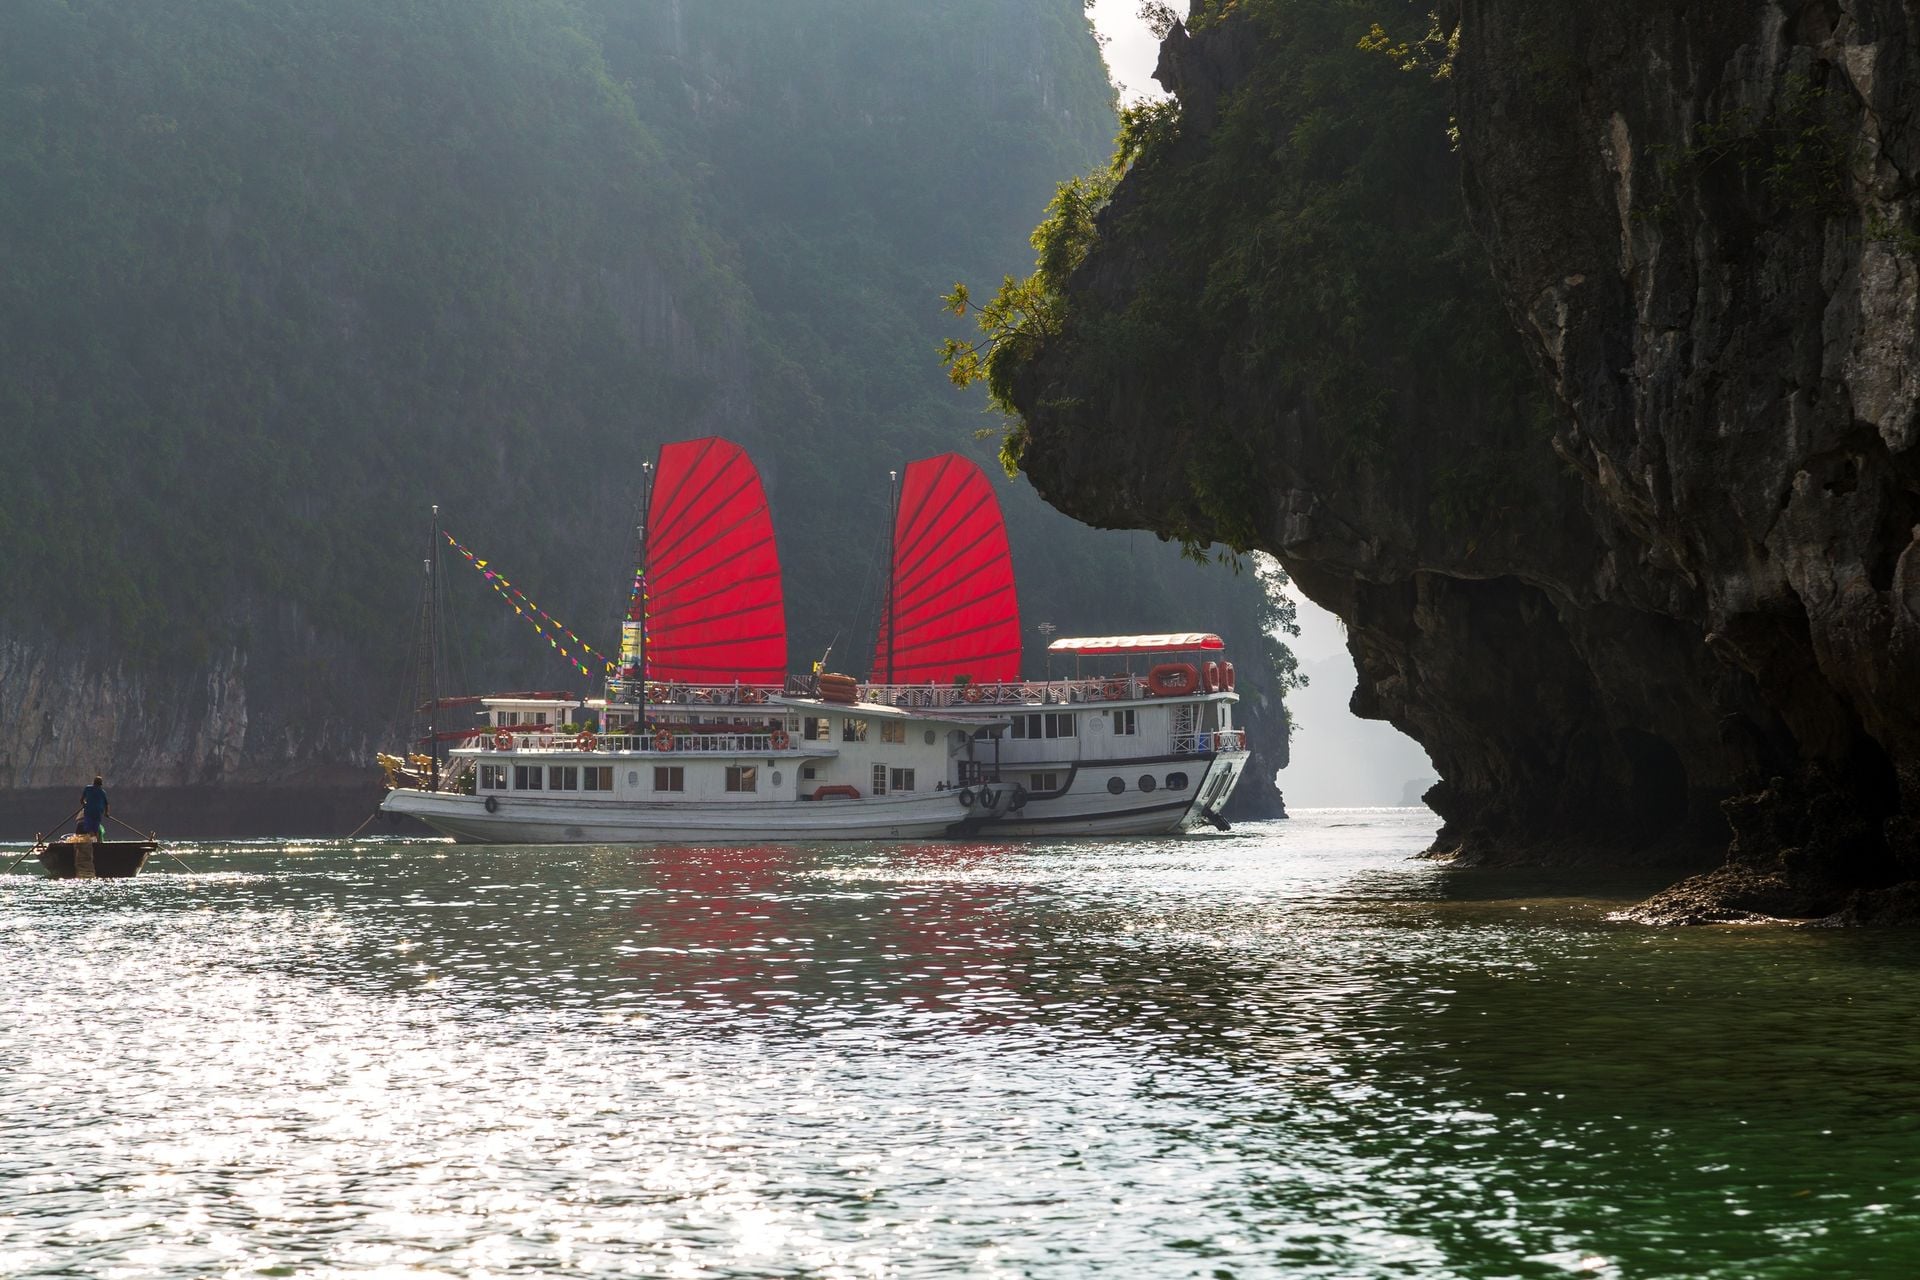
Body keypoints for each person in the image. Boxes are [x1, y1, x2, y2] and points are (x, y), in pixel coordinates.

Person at [77, 774, 109, 839]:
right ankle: (96, 842)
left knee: (89, 829)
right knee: (96, 829)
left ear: (93, 782)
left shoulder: (88, 788)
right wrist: (106, 813)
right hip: (98, 813)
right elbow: (106, 804)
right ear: (101, 784)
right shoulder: (103, 792)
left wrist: (84, 804)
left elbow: (81, 800)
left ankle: (93, 842)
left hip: (89, 812)